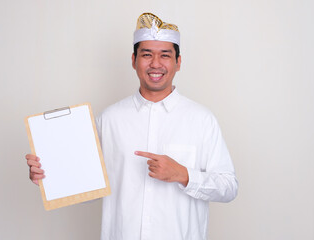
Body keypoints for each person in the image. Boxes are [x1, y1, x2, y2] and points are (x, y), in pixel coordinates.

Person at [26, 12, 238, 240]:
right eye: (147, 54)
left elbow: (228, 187)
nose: (155, 64)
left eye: (165, 55)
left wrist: (184, 175)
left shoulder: (201, 120)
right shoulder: (109, 119)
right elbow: (91, 186)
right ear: (134, 60)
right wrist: (49, 175)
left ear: (178, 62)